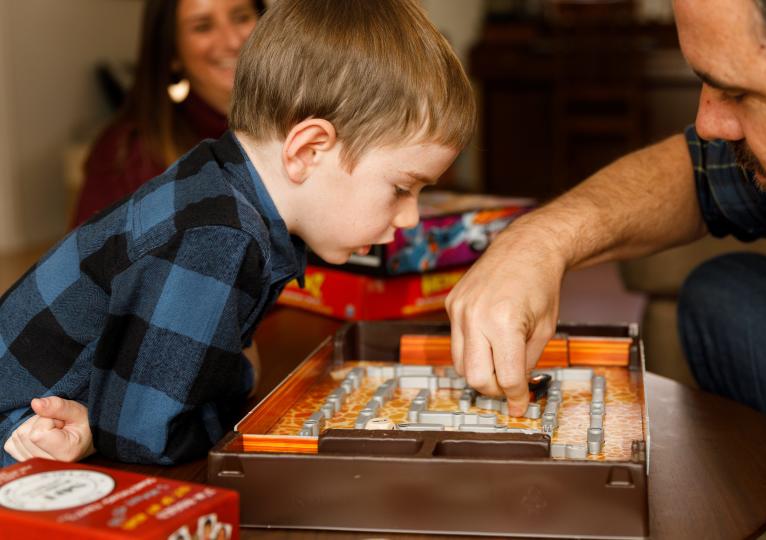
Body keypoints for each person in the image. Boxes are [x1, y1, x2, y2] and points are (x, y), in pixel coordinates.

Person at [445, 0, 766, 537]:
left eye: (737, 92)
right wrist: (537, 240)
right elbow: (693, 169)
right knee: (718, 293)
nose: (708, 123)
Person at [1, 0, 475, 466]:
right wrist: (244, 375)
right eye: (401, 188)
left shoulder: (221, 182)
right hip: (18, 431)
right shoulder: (217, 237)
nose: (411, 218)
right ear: (308, 150)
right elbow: (147, 438)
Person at [71, 0, 267, 227]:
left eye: (241, 17)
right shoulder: (128, 152)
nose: (233, 41)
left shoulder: (303, 125)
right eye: (202, 27)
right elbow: (86, 260)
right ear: (172, 53)